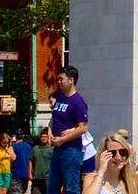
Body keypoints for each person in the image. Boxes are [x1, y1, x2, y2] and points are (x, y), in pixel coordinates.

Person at [51, 66, 92, 194]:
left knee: (71, 186)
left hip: (71, 150)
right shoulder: (60, 97)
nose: (59, 82)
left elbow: (84, 127)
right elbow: (54, 118)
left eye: (61, 79)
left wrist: (63, 139)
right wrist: (49, 131)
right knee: (52, 185)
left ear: (71, 80)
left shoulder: (78, 102)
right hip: (57, 148)